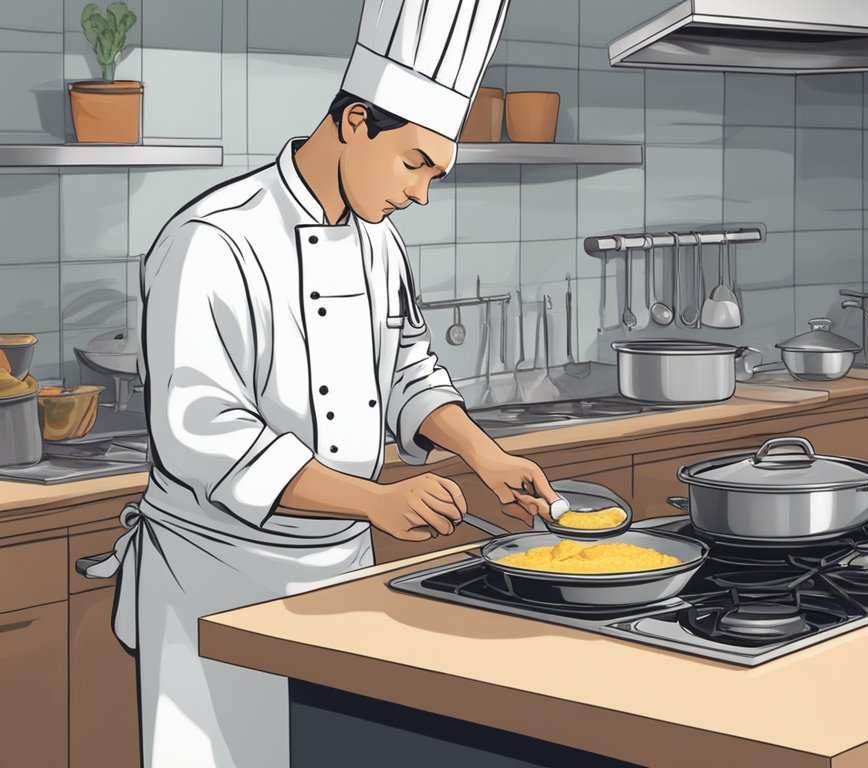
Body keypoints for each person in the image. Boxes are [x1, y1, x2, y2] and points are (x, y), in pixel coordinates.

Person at [85, 2, 549, 766]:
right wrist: (376, 499)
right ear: (356, 121)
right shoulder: (214, 239)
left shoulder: (378, 241)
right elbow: (207, 435)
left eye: (436, 172)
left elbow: (405, 368)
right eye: (416, 164)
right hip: (219, 578)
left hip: (339, 571)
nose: (422, 193)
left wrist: (484, 455)